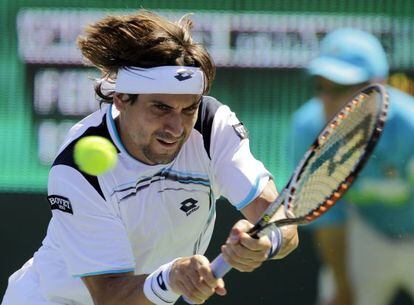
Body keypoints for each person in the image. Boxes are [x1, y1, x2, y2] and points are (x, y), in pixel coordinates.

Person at [2, 10, 298, 305]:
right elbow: (110, 296)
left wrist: (265, 241)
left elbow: (279, 220)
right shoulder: (78, 169)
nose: (176, 127)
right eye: (160, 108)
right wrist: (170, 277)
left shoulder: (211, 128)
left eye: (188, 110)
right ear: (121, 99)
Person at [290, 28, 414, 305]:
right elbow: (330, 221)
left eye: (341, 88)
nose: (328, 99)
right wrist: (343, 287)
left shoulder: (411, 127)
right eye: (321, 87)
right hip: (368, 231)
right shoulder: (307, 129)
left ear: (378, 84)